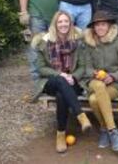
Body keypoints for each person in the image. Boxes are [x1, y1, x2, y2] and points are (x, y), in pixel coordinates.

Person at [31, 10, 92, 153]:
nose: (63, 24)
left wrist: (74, 77)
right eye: (60, 22)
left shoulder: (77, 41)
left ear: (70, 24)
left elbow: (83, 66)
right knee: (59, 81)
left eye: (66, 21)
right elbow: (41, 68)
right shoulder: (45, 42)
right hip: (51, 80)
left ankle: (60, 134)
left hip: (72, 81)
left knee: (61, 95)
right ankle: (81, 116)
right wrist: (61, 74)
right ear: (55, 24)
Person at [83, 10, 118, 152]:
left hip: (114, 84)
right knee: (98, 85)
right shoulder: (90, 44)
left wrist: (113, 77)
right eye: (97, 25)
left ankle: (104, 129)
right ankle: (113, 131)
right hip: (94, 82)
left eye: (103, 24)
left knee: (95, 100)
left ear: (109, 26)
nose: (100, 28)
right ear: (93, 27)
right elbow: (87, 69)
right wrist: (95, 73)